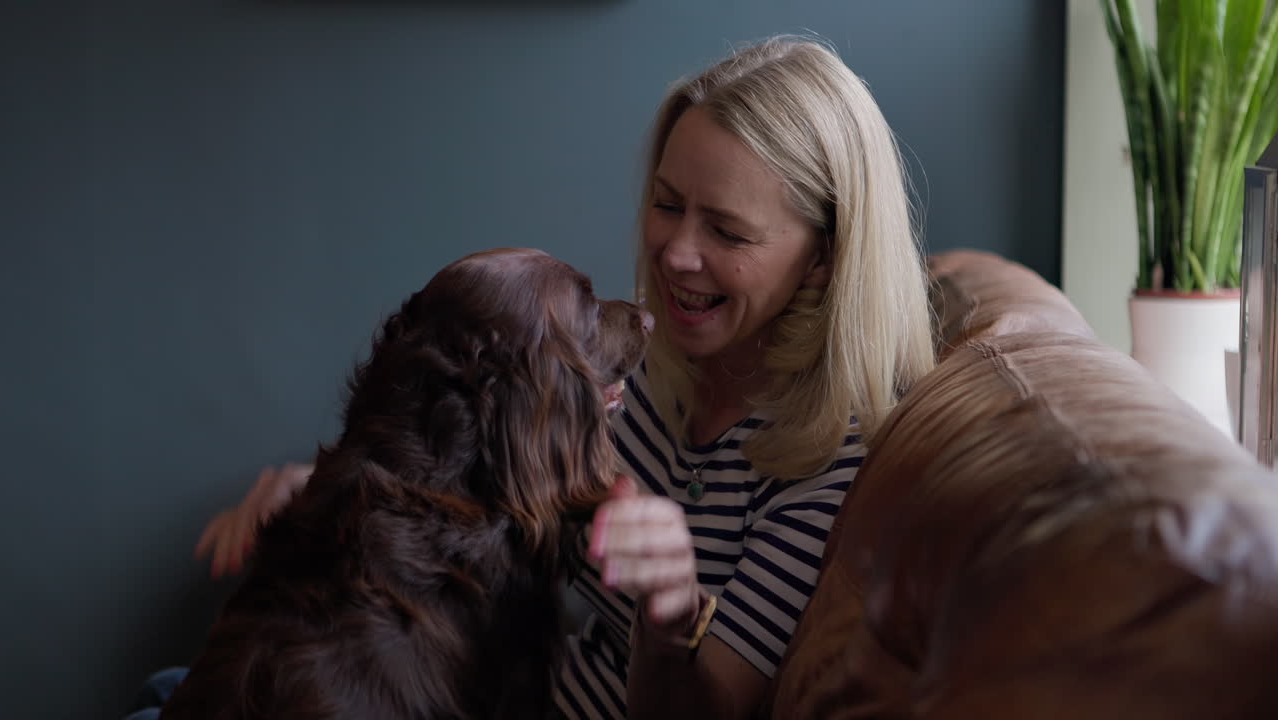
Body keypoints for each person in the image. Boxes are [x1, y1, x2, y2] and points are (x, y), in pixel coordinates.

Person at [154, 34, 934, 720]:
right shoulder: (631, 387)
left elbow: (708, 711)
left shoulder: (829, 464)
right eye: (667, 205)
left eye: (727, 230)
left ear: (823, 258)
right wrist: (336, 497)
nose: (674, 254)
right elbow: (486, 504)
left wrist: (670, 618)